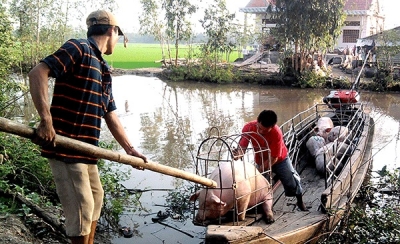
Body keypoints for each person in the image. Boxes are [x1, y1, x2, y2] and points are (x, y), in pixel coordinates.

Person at [28, 10, 147, 244]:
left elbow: (110, 114)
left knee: (96, 198)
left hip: (86, 150)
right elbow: (38, 73)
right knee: (82, 209)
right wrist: (46, 120)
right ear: (112, 31)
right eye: (118, 35)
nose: (117, 40)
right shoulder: (79, 47)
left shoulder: (103, 68)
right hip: (65, 148)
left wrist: (130, 149)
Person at [232, 110, 307, 211]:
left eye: (264, 130)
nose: (260, 131)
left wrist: (261, 170)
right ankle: (259, 206)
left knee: (291, 181)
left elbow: (274, 157)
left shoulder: (276, 133)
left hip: (280, 159)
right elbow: (243, 146)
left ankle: (300, 201)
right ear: (257, 121)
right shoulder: (249, 128)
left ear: (272, 127)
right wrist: (238, 154)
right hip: (260, 159)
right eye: (259, 128)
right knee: (259, 185)